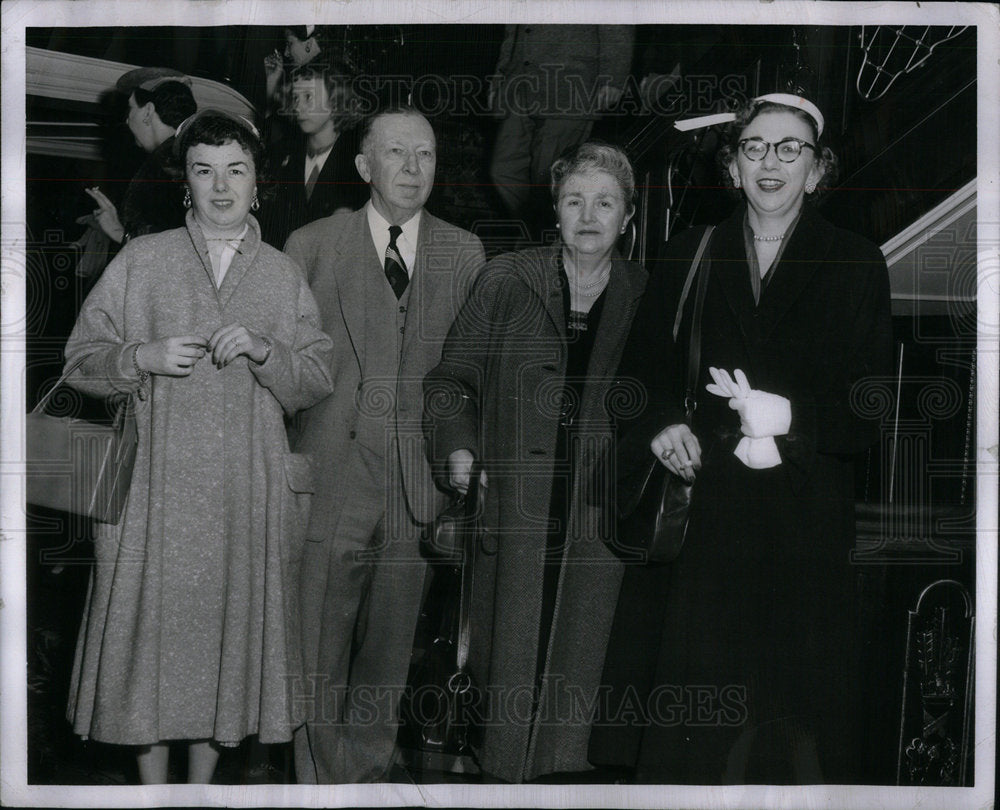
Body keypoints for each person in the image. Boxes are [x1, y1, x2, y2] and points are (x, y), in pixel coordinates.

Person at [588, 94, 894, 784]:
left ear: (818, 173)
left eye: (792, 149)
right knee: (692, 740)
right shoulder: (688, 254)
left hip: (803, 535)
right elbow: (636, 381)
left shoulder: (856, 262)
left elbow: (870, 408)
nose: (771, 162)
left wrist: (788, 415)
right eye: (755, 147)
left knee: (793, 741)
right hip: (706, 530)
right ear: (732, 167)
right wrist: (662, 426)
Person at [63, 109, 335, 784]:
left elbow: (317, 376)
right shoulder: (142, 259)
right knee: (149, 654)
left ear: (257, 183)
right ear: (184, 182)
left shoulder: (280, 273)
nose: (221, 187)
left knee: (221, 652)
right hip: (153, 493)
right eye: (204, 171)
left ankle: (201, 794)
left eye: (235, 172)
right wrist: (140, 354)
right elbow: (78, 362)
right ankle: (153, 795)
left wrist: (267, 349)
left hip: (244, 495)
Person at [424, 142, 648, 782]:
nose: (588, 215)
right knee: (506, 682)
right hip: (514, 514)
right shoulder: (507, 279)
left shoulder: (646, 294)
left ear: (627, 217)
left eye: (605, 202)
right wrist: (460, 451)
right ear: (555, 209)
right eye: (574, 199)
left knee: (578, 694)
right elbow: (448, 384)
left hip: (598, 518)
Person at [286, 106, 485, 784]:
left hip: (416, 489)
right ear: (363, 165)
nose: (412, 167)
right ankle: (315, 783)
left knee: (388, 657)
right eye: (396, 153)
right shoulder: (311, 244)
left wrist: (464, 454)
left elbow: (468, 375)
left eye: (425, 154)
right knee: (315, 650)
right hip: (330, 476)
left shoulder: (465, 253)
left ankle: (364, 779)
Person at [488, 25, 634, 234]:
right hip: (519, 83)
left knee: (549, 176)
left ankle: (545, 241)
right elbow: (512, 31)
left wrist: (614, 76)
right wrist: (499, 77)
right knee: (503, 168)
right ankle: (541, 232)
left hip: (571, 84)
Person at [258, 60, 368, 248]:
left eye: (308, 97)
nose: (298, 107)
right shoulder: (281, 153)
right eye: (295, 98)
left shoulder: (359, 164)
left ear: (336, 99)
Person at [83, 67, 197, 247]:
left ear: (148, 112)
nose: (127, 120)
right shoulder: (188, 155)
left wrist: (118, 232)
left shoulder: (164, 165)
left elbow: (169, 252)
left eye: (130, 109)